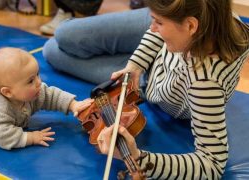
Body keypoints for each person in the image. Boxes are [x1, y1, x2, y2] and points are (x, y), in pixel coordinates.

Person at [44, 0, 249, 179]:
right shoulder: (208, 13)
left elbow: (212, 165)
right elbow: (159, 27)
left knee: (53, 51)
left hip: (150, 85)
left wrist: (139, 158)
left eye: (158, 22)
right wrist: (135, 64)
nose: (151, 28)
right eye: (154, 19)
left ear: (191, 25)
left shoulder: (204, 83)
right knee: (62, 34)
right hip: (162, 50)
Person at [0, 47, 93, 150]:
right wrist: (31, 137)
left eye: (37, 74)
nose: (39, 82)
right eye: (30, 81)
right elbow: (1, 135)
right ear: (8, 92)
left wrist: (74, 105)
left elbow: (51, 96)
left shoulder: (32, 91)